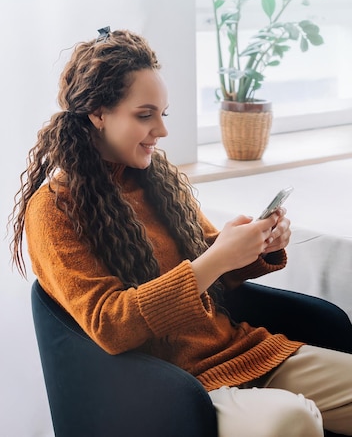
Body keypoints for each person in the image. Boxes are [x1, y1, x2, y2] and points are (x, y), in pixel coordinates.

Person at [9, 27, 352, 437]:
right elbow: (110, 324)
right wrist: (216, 258)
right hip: (174, 388)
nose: (162, 130)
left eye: (163, 114)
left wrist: (256, 246)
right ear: (98, 114)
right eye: (144, 115)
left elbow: (214, 271)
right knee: (292, 420)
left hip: (242, 351)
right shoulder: (54, 210)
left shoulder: (159, 181)